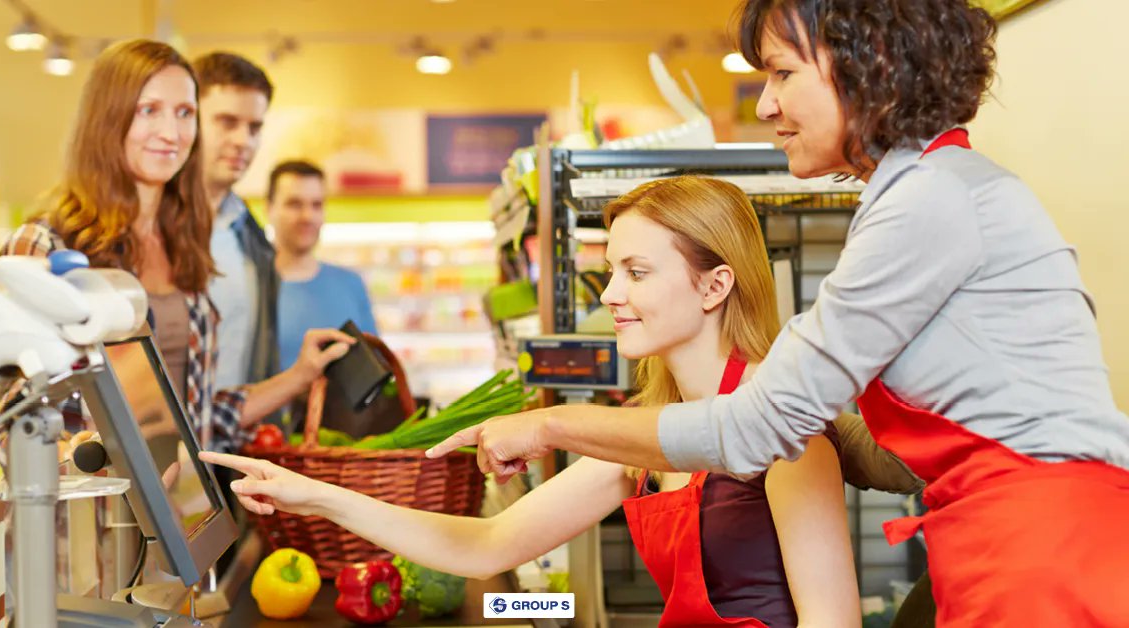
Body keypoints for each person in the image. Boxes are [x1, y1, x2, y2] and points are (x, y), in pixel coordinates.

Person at [427, 1, 1129, 626]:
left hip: (1040, 556)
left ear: (870, 65)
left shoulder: (929, 200)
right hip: (1004, 543)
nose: (765, 105)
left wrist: (549, 423)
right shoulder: (920, 193)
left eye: (782, 74)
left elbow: (757, 428)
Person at [204, 176, 860, 627]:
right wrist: (311, 494)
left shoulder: (785, 431)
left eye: (637, 272)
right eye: (610, 273)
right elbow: (488, 544)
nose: (609, 296)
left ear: (715, 285)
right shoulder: (640, 435)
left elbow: (833, 621)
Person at [0, 39, 354, 453]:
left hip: (180, 511)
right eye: (149, 110)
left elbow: (195, 419)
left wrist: (298, 376)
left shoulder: (187, 250)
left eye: (185, 113)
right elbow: (16, 425)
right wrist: (104, 470)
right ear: (107, 118)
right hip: (87, 513)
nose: (171, 133)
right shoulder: (45, 246)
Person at [191, 51, 281, 390]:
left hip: (230, 437)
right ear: (190, 118)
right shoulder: (148, 226)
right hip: (149, 439)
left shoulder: (253, 238)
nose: (244, 140)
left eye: (254, 127)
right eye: (228, 122)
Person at [268, 159, 378, 371]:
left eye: (316, 205)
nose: (307, 216)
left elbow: (374, 365)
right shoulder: (251, 289)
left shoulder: (351, 284)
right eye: (294, 204)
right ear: (269, 208)